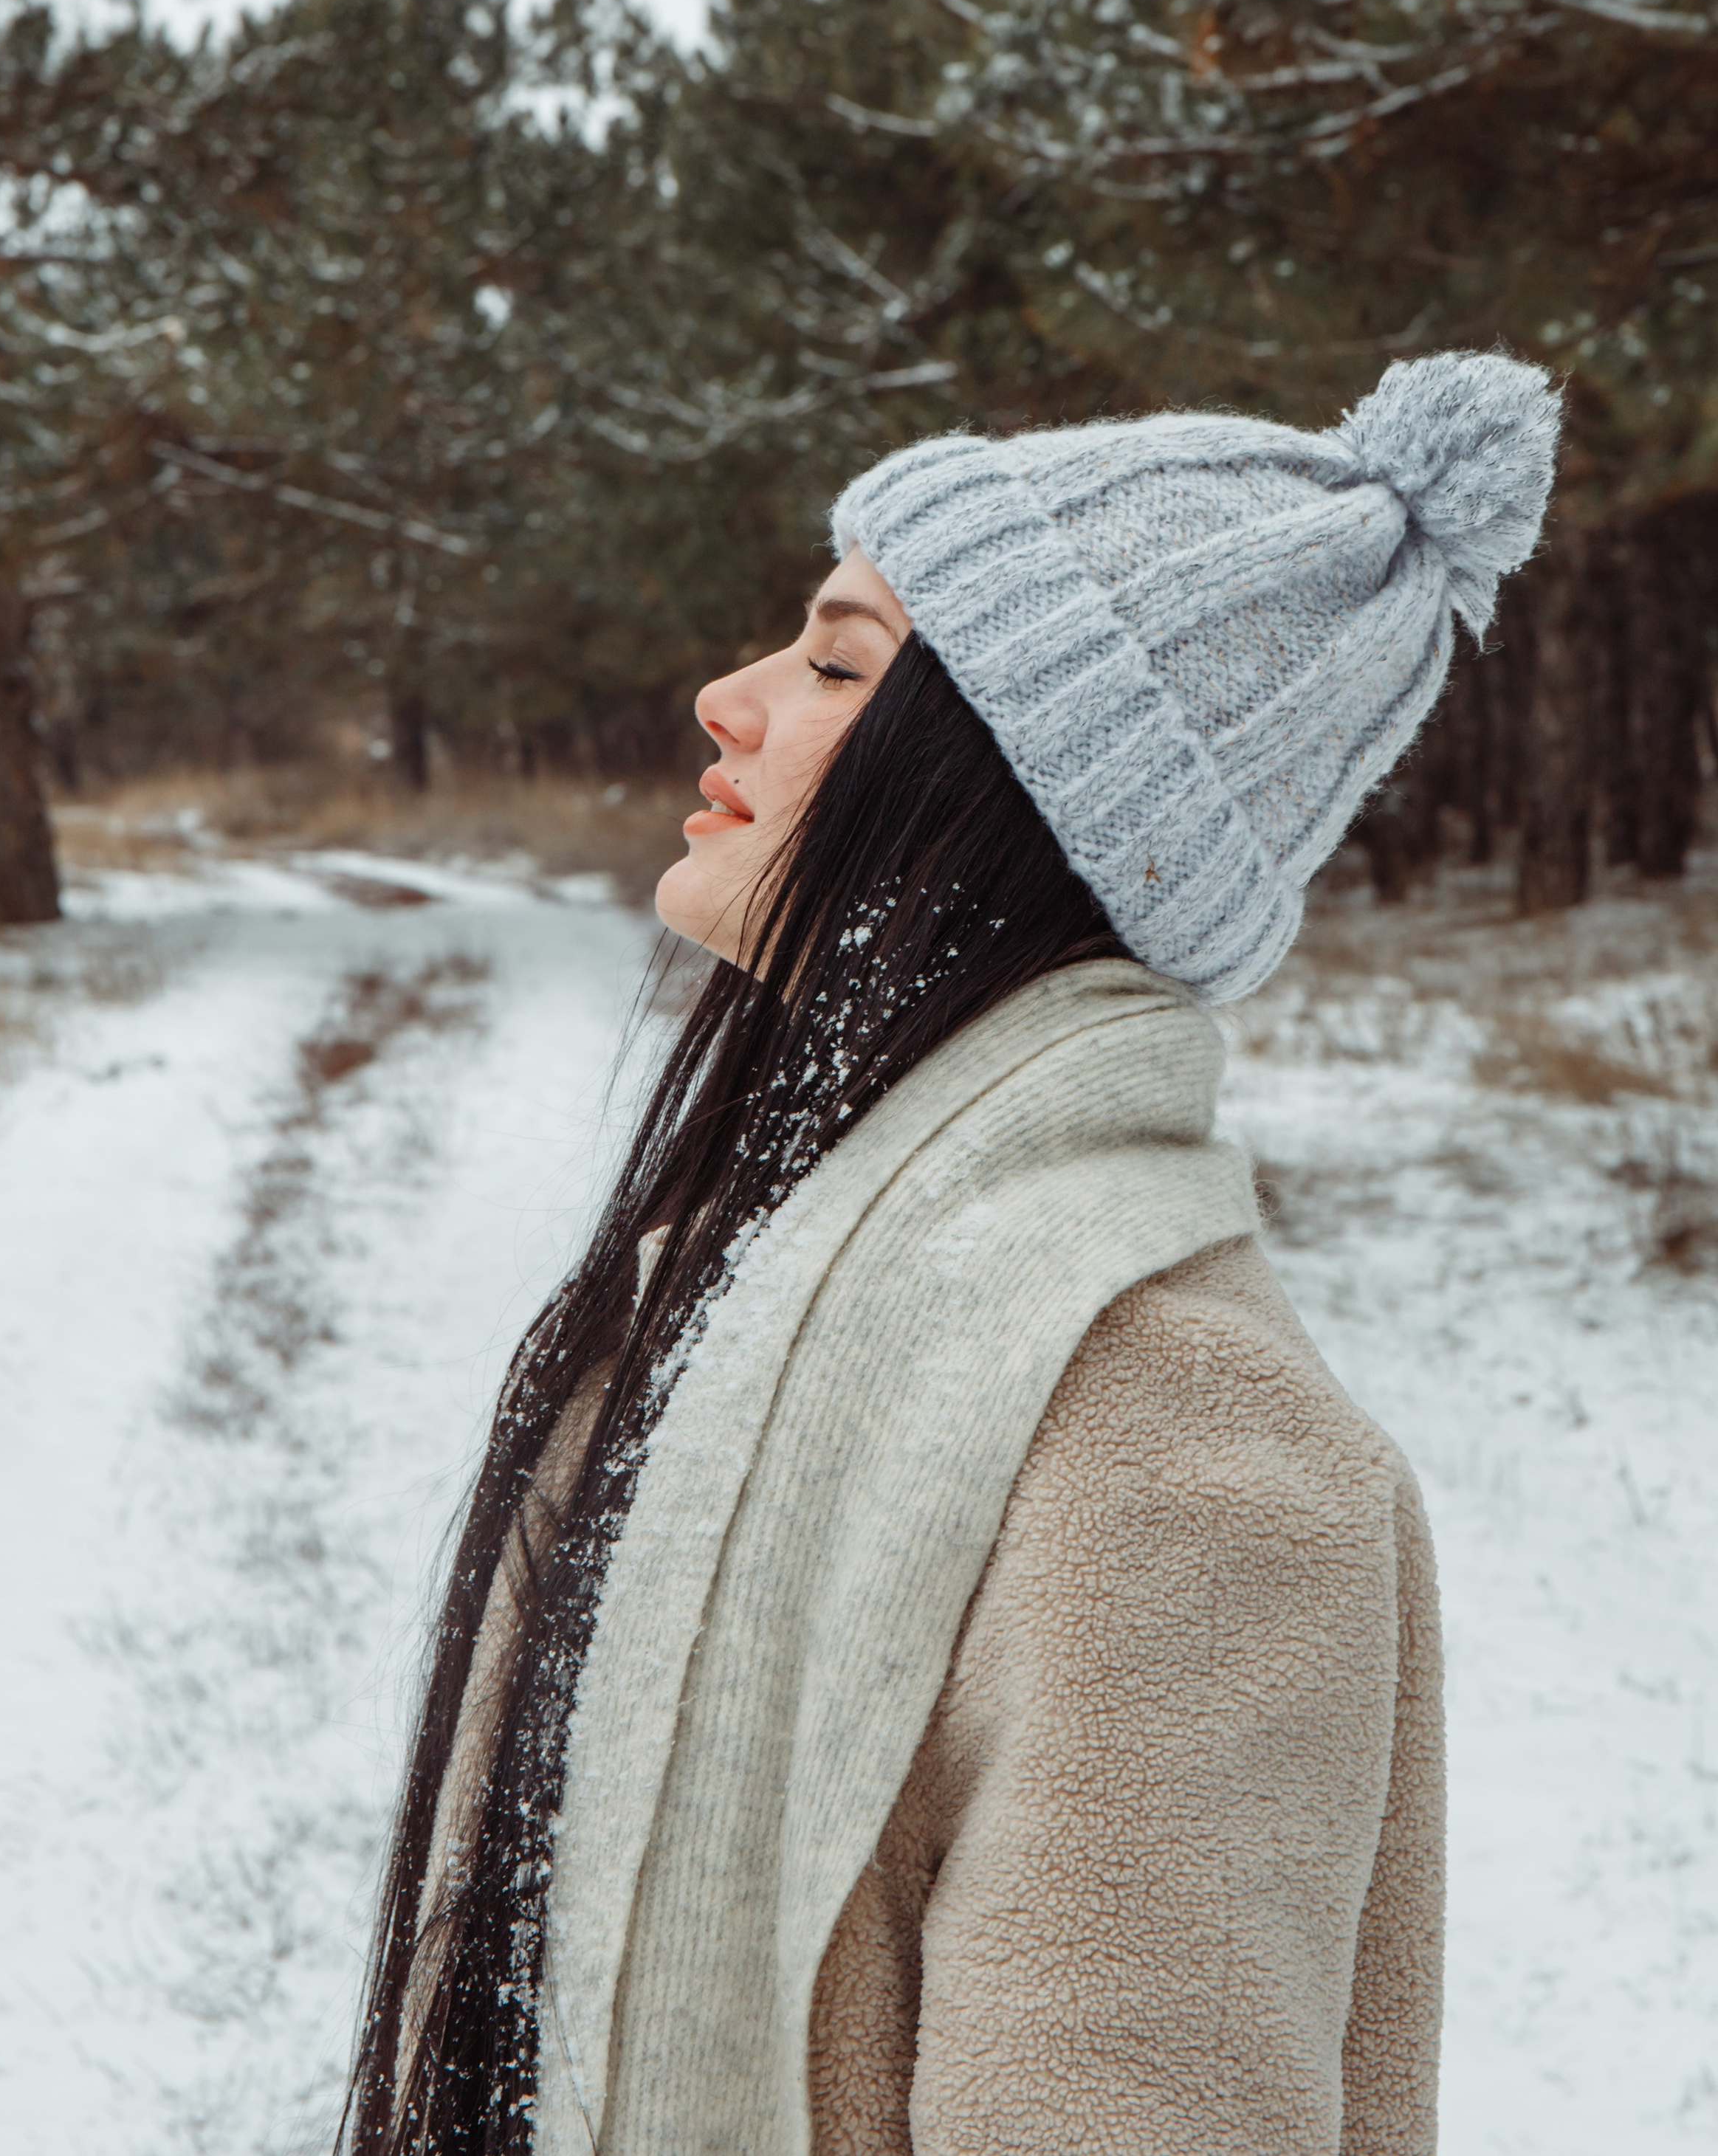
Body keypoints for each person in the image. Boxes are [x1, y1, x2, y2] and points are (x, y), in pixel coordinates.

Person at [344, 349, 1561, 2156]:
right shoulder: (735, 1284)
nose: (732, 696)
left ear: (1020, 799)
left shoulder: (1170, 1447)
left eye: (838, 661)